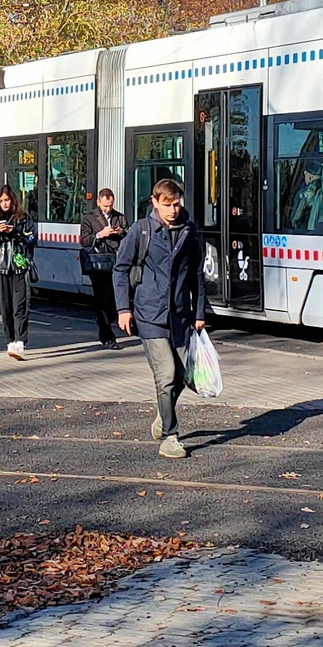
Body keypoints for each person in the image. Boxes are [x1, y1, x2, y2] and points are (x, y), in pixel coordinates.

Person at [115, 176, 210, 458]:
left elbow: (196, 275)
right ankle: (170, 436)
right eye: (167, 204)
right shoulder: (141, 230)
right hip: (149, 315)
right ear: (155, 202)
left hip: (180, 315)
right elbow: (120, 269)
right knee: (166, 374)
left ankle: (162, 411)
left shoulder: (189, 232)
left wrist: (199, 312)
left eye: (177, 204)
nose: (173, 210)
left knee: (184, 376)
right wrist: (124, 309)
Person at [0, 184, 36, 360]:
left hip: (19, 268)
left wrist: (15, 231)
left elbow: (32, 239)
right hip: (1, 268)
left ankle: (20, 343)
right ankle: (10, 342)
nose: (5, 203)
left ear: (13, 200)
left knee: (20, 305)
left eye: (7, 200)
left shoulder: (24, 219)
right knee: (5, 307)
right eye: (1, 201)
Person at [80, 187, 130, 346]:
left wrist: (121, 232)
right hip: (99, 263)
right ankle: (106, 335)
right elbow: (84, 240)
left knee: (116, 298)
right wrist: (101, 234)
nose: (108, 209)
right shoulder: (89, 218)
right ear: (98, 202)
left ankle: (109, 325)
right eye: (105, 206)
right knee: (103, 300)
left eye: (110, 206)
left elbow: (129, 236)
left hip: (117, 262)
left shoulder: (119, 217)